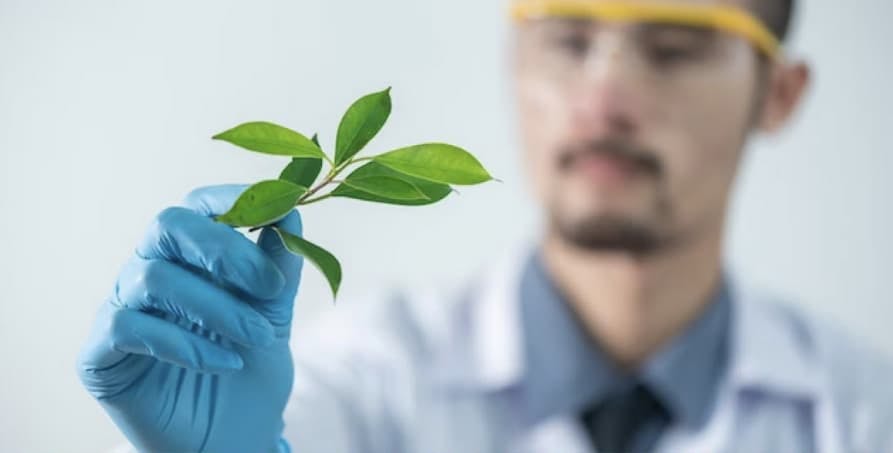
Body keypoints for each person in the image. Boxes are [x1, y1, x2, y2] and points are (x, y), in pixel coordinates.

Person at [78, 0, 893, 451]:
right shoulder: (369, 378)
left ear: (777, 94)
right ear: (513, 60)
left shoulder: (864, 415)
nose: (602, 99)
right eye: (568, 39)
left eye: (673, 48)